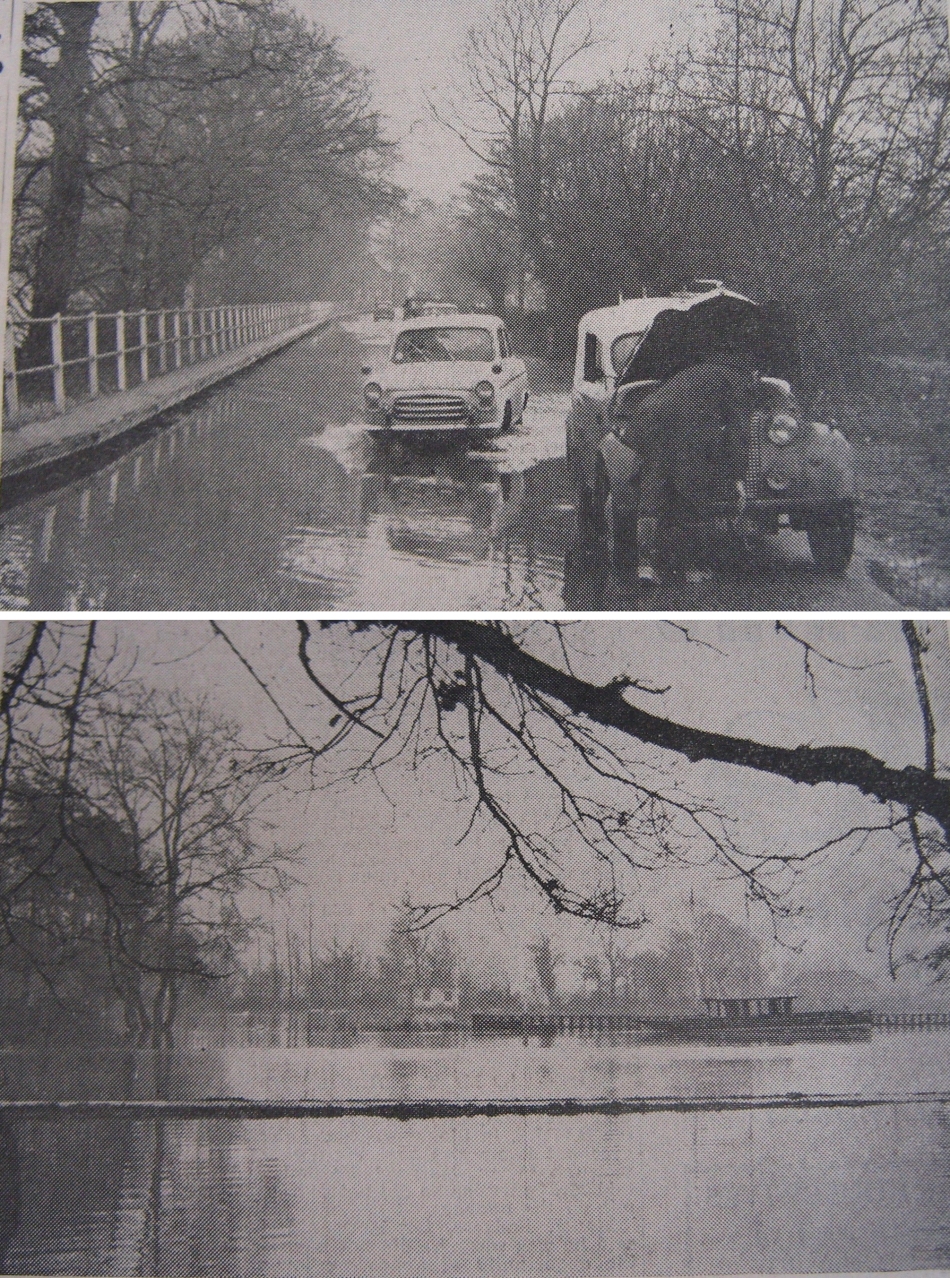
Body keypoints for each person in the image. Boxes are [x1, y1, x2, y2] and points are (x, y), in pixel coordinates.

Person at [601, 352, 758, 583]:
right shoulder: (738, 382)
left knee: (653, 490)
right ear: (753, 375)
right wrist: (738, 477)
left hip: (648, 418)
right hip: (684, 429)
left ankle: (646, 566)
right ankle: (692, 568)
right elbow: (738, 433)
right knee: (691, 495)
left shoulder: (704, 370)